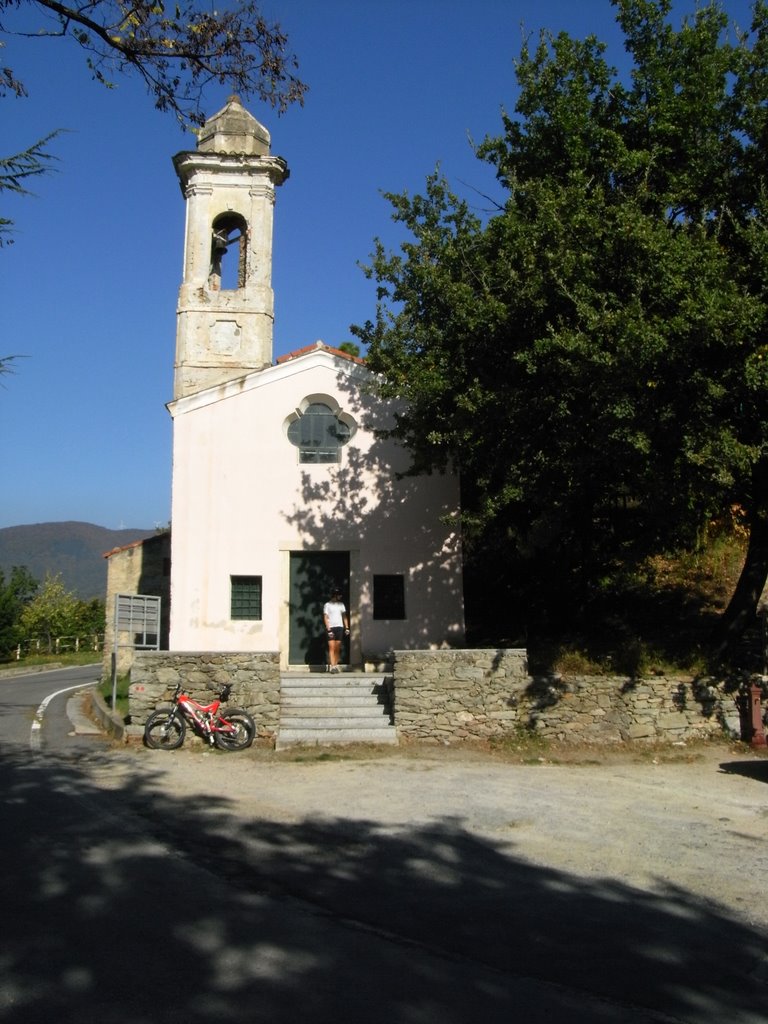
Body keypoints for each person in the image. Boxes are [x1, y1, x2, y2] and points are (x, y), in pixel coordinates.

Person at [323, 588, 349, 673]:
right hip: (331, 628)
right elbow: (326, 617)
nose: (340, 596)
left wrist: (347, 627)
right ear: (335, 595)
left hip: (340, 627)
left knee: (337, 648)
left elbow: (344, 616)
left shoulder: (341, 605)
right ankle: (332, 666)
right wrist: (328, 629)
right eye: (339, 595)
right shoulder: (327, 605)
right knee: (331, 647)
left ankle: (335, 665)